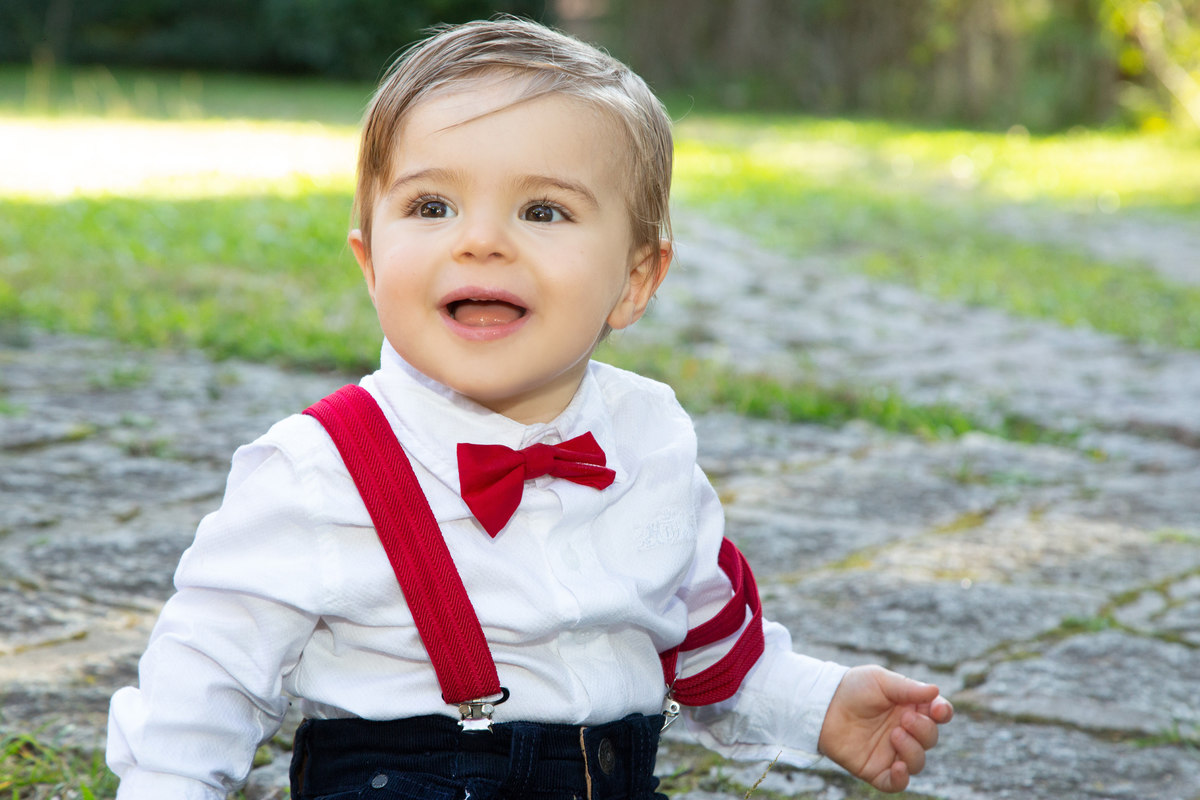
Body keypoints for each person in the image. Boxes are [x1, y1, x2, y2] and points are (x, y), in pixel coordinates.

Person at [106, 17, 952, 800]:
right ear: (370, 262)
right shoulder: (318, 469)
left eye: (543, 210)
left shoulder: (649, 438)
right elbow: (205, 674)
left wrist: (821, 705)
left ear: (635, 280)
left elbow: (703, 632)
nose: (480, 240)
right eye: (431, 207)